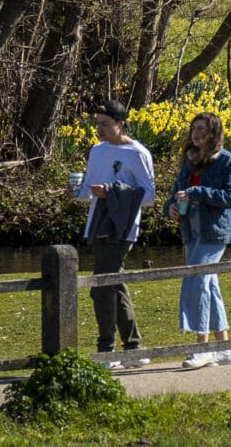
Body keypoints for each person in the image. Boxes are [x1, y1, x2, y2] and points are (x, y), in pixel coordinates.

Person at [73, 98, 156, 370]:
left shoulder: (138, 153)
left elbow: (149, 196)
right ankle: (132, 348)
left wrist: (112, 191)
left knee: (102, 287)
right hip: (98, 224)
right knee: (112, 284)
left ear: (121, 124)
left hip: (122, 226)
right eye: (98, 124)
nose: (100, 129)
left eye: (106, 124)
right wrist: (78, 192)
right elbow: (88, 190)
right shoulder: (97, 151)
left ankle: (106, 348)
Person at [170, 112, 231, 368]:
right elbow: (176, 191)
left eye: (202, 129)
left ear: (214, 133)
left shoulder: (227, 161)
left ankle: (202, 348)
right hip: (191, 229)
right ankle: (223, 348)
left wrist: (197, 192)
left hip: (214, 231)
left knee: (197, 279)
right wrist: (170, 205)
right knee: (209, 285)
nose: (197, 133)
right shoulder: (188, 162)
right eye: (194, 129)